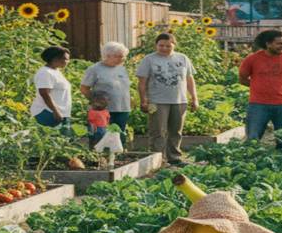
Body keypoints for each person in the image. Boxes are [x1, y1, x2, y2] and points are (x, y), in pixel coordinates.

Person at [136, 33, 198, 165]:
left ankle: (174, 157)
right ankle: (157, 160)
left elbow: (189, 79)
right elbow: (142, 82)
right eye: (161, 45)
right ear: (156, 45)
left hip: (179, 100)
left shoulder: (183, 58)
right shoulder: (149, 60)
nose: (164, 48)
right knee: (158, 131)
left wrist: (194, 97)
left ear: (174, 45)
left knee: (176, 131)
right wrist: (143, 100)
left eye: (168, 46)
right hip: (157, 101)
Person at [239, 29, 282, 147]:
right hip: (258, 104)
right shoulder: (252, 59)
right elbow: (242, 79)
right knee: (253, 137)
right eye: (279, 43)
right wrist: (258, 86)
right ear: (268, 44)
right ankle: (252, 160)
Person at [80, 42, 132, 136]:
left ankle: (118, 151)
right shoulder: (94, 69)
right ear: (107, 55)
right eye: (119, 56)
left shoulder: (122, 69)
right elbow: (84, 89)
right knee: (100, 136)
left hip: (122, 108)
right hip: (102, 110)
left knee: (119, 136)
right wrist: (96, 102)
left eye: (123, 56)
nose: (122, 59)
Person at [30, 46, 72, 129]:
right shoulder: (45, 73)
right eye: (65, 59)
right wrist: (56, 111)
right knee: (52, 139)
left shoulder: (56, 71)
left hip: (61, 113)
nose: (67, 61)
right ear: (55, 58)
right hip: (48, 113)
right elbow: (44, 93)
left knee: (64, 140)